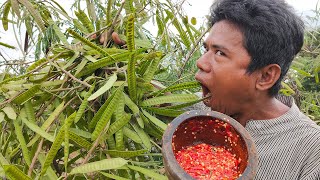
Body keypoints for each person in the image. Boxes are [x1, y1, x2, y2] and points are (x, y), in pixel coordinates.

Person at [194, 0, 320, 179]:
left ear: (265, 76)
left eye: (220, 53)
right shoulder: (194, 110)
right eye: (206, 49)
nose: (201, 62)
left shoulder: (311, 153)